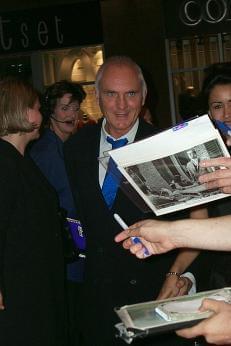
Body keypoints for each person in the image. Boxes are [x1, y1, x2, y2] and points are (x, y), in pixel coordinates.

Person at [64, 55, 210, 345]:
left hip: (153, 298)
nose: (121, 105)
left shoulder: (168, 147)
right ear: (97, 96)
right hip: (97, 304)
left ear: (144, 96)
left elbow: (201, 225)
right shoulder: (76, 147)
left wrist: (176, 272)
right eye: (111, 94)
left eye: (130, 94)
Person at [0, 77, 66, 345]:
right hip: (20, 289)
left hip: (31, 283)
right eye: (38, 107)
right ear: (24, 112)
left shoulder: (18, 159)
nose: (43, 114)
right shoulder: (5, 162)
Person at [29, 80, 86, 346]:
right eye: (64, 108)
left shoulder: (68, 146)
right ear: (50, 112)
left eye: (75, 108)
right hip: (65, 248)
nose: (71, 115)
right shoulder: (46, 150)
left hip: (73, 246)